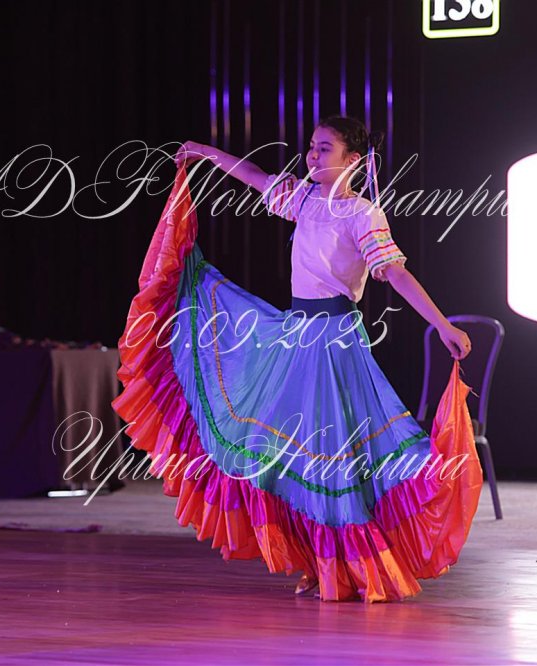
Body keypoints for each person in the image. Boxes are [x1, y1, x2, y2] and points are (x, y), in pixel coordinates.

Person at [113, 114, 483, 603]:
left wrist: (441, 324)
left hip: (333, 344)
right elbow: (254, 176)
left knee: (331, 454)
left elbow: (395, 274)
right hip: (295, 335)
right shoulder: (304, 199)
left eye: (325, 148)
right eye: (311, 146)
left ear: (353, 160)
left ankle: (347, 566)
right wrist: (204, 151)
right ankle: (318, 562)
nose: (312, 155)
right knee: (288, 451)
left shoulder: (362, 215)